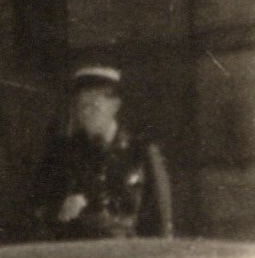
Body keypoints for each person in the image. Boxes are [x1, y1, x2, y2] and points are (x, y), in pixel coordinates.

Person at [30, 65, 172, 240]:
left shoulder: (142, 152)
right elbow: (38, 207)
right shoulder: (61, 153)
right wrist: (60, 209)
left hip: (128, 256)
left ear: (115, 106)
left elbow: (161, 219)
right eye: (82, 106)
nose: (87, 113)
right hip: (77, 255)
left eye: (94, 105)